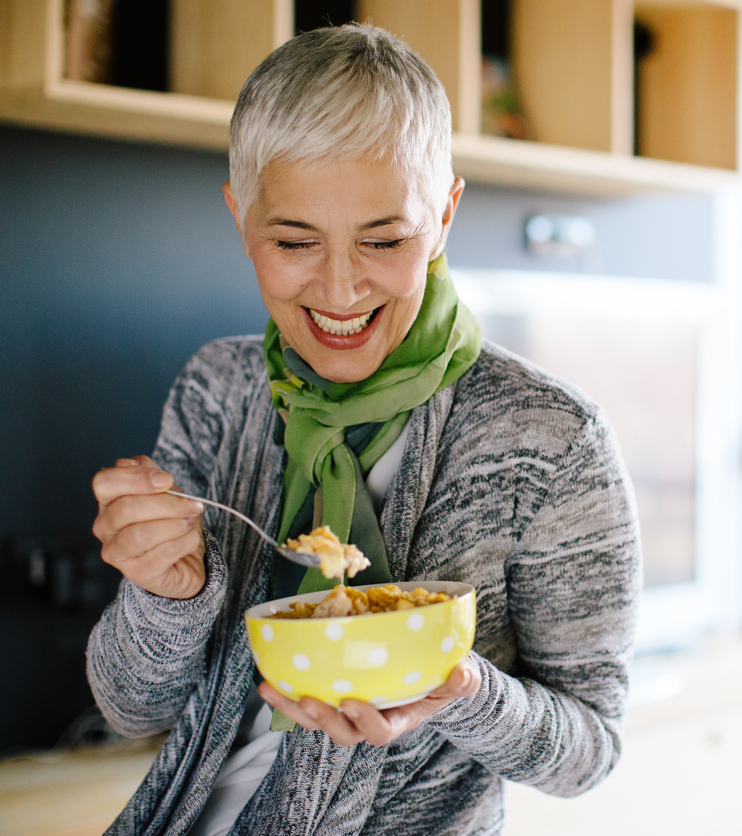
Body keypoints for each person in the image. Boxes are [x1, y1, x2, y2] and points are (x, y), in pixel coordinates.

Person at [86, 23, 641, 836]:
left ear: (445, 215)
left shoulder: (552, 440)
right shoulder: (218, 391)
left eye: (385, 239)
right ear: (241, 217)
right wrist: (167, 594)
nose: (342, 289)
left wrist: (458, 692)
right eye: (294, 240)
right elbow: (131, 707)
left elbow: (590, 748)